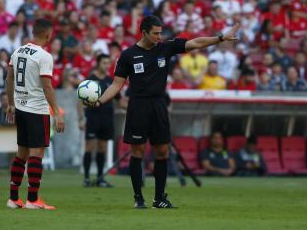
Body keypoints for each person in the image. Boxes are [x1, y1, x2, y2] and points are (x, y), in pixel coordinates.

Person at [85, 15, 239, 209]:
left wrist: (221, 38)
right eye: (156, 33)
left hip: (159, 105)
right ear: (144, 33)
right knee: (137, 151)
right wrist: (100, 101)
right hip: (138, 105)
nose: (159, 36)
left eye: (161, 33)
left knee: (162, 151)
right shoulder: (128, 55)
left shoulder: (165, 48)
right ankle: (138, 198)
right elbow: (117, 85)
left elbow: (196, 43)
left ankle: (159, 199)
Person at [5, 18, 65, 210]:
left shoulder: (18, 51)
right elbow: (47, 86)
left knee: (21, 153)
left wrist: (11, 104)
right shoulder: (44, 56)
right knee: (36, 154)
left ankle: (13, 199)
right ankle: (33, 199)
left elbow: (9, 78)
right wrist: (57, 113)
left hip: (21, 108)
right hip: (37, 110)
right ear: (48, 34)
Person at [77, 54, 114, 188]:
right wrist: (81, 118)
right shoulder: (90, 80)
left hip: (107, 117)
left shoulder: (111, 80)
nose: (106, 65)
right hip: (93, 117)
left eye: (108, 63)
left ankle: (99, 178)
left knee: (102, 148)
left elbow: (119, 99)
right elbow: (80, 100)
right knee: (90, 147)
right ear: (98, 63)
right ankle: (86, 178)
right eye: (104, 62)